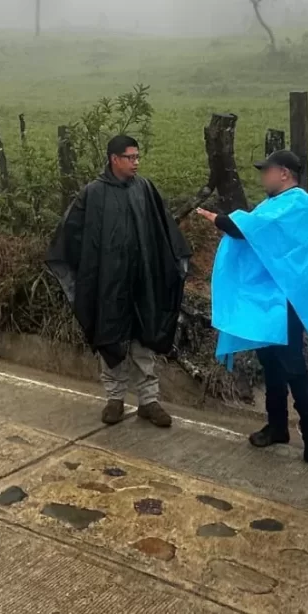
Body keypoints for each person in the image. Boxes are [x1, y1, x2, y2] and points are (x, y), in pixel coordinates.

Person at [197, 149, 308, 465]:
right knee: (271, 365)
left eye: (267, 170)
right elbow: (255, 233)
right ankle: (277, 427)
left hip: (288, 303)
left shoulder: (300, 205)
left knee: (293, 368)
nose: (263, 176)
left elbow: (248, 229)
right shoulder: (273, 205)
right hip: (267, 302)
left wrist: (219, 220)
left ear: (285, 173)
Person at [47, 135, 192, 428]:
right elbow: (70, 234)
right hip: (107, 283)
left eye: (138, 157)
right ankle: (114, 398)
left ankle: (149, 401)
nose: (136, 163)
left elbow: (164, 230)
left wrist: (175, 262)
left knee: (144, 338)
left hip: (143, 280)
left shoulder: (145, 189)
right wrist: (82, 273)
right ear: (114, 159)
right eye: (131, 157)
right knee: (109, 337)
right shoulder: (93, 193)